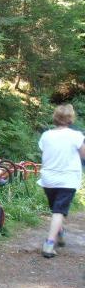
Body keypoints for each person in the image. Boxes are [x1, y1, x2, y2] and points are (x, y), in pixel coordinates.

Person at [37, 104, 85, 258]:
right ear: (71, 118)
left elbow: (45, 151)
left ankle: (60, 232)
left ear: (55, 117)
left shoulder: (46, 135)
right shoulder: (76, 136)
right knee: (58, 211)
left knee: (56, 209)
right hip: (67, 178)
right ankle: (49, 244)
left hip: (48, 179)